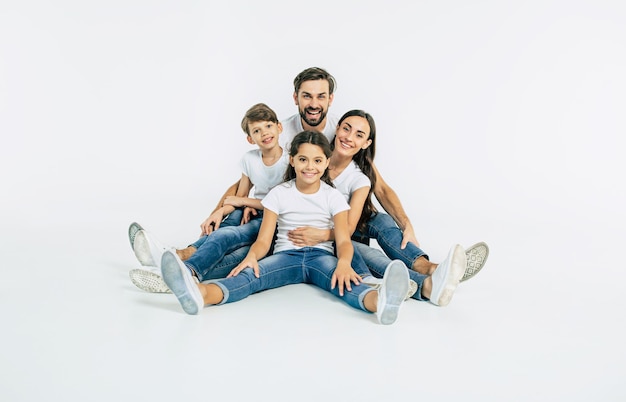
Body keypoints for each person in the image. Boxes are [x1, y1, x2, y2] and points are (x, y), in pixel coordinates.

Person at [160, 130, 414, 325]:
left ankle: (381, 302)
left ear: (326, 163)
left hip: (321, 258)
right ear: (292, 160)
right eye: (303, 159)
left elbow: (344, 240)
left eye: (316, 160)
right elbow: (263, 240)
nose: (309, 166)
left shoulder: (333, 197)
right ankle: (200, 294)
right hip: (285, 257)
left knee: (346, 283)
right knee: (249, 277)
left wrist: (345, 263)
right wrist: (251, 257)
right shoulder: (278, 194)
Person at [129, 102, 288, 292]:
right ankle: (176, 255)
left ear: (279, 127)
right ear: (250, 139)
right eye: (257, 130)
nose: (265, 133)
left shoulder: (291, 160)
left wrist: (245, 202)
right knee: (226, 223)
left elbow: (284, 203)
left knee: (227, 235)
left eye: (268, 126)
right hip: (250, 209)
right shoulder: (249, 159)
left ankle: (185, 271)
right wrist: (220, 212)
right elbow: (239, 196)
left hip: (272, 218)